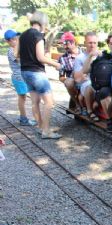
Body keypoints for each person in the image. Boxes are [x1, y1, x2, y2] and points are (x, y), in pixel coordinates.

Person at [18, 11, 61, 139]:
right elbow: (41, 57)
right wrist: (55, 64)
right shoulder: (38, 35)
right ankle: (46, 131)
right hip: (36, 73)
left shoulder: (23, 35)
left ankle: (40, 127)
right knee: (49, 102)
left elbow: (18, 54)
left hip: (24, 72)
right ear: (42, 22)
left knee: (35, 101)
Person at [4, 29, 37, 126]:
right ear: (8, 41)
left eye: (18, 38)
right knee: (22, 97)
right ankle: (23, 119)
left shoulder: (18, 49)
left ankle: (26, 118)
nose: (17, 40)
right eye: (14, 39)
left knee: (25, 97)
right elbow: (21, 60)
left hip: (23, 77)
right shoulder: (11, 51)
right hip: (19, 78)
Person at [73, 32, 98, 120]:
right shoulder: (80, 58)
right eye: (90, 42)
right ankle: (89, 111)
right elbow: (77, 78)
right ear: (85, 43)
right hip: (85, 83)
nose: (92, 45)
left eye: (94, 43)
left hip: (99, 82)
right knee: (89, 85)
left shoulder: (100, 55)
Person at [58, 31, 80, 112]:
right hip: (74, 83)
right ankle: (78, 105)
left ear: (73, 42)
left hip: (87, 80)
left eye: (66, 43)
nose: (64, 46)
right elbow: (61, 77)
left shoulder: (85, 53)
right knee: (69, 82)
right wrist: (67, 80)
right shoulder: (62, 58)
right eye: (63, 44)